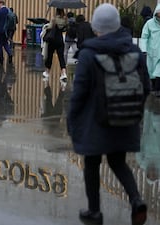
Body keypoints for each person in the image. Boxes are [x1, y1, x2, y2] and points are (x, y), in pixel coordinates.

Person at [67, 4, 150, 225]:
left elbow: (79, 94)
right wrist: (132, 111)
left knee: (92, 164)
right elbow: (147, 87)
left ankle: (94, 212)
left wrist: (72, 122)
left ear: (96, 27)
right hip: (125, 120)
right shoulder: (134, 51)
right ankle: (136, 200)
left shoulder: (89, 54)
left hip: (95, 123)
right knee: (118, 162)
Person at [40, 8, 67, 81]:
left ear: (57, 11)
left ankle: (47, 72)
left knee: (50, 56)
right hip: (60, 40)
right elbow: (64, 29)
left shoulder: (54, 19)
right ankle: (63, 73)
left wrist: (46, 25)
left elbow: (50, 27)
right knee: (61, 57)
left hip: (52, 40)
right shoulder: (65, 20)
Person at [140, 4, 160, 97]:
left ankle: (157, 89)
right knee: (151, 72)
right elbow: (144, 37)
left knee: (158, 72)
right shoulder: (149, 24)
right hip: (152, 51)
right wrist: (144, 49)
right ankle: (154, 88)